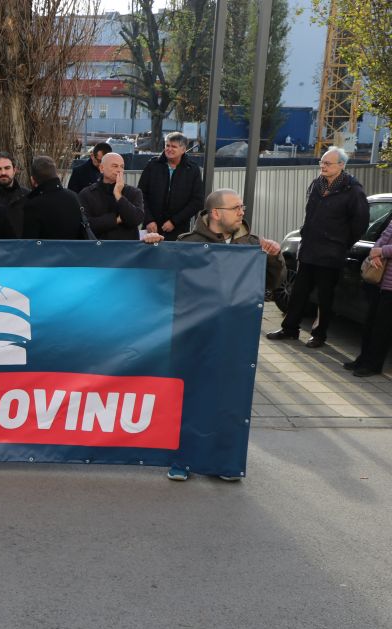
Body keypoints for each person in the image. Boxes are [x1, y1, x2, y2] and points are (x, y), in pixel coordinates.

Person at [168, 188, 284, 482]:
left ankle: (225, 461)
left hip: (236, 336)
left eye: (242, 207)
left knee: (230, 399)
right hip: (195, 336)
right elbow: (170, 285)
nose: (242, 211)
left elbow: (272, 284)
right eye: (236, 207)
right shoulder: (187, 243)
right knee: (190, 398)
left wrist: (274, 258)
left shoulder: (252, 244)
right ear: (216, 213)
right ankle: (183, 460)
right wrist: (154, 246)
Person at [267, 146, 369, 348]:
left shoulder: (353, 190)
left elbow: (360, 223)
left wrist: (342, 243)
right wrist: (306, 231)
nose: (322, 166)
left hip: (332, 254)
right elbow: (310, 213)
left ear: (341, 165)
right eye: (321, 162)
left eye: (327, 163)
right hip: (309, 249)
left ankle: (319, 335)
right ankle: (290, 329)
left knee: (325, 297)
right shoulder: (317, 184)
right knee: (298, 292)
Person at [345, 220, 392, 377]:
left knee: (382, 327)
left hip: (390, 285)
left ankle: (373, 365)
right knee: (370, 323)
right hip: (380, 281)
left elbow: (383, 247)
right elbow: (383, 237)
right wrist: (374, 253)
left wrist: (382, 252)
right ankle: (363, 359)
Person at [138, 132, 204, 241]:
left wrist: (174, 221)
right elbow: (140, 194)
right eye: (167, 145)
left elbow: (197, 201)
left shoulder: (192, 170)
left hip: (178, 230)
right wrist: (148, 219)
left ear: (183, 150)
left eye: (174, 146)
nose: (169, 149)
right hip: (151, 228)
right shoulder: (153, 165)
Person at [76, 152, 145, 240]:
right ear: (101, 168)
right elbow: (86, 225)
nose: (119, 170)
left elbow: (136, 219)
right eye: (115, 166)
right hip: (98, 248)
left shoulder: (133, 192)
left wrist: (118, 195)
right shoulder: (87, 194)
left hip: (127, 250)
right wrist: (116, 220)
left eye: (122, 166)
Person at [22, 156, 89, 240]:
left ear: (33, 180)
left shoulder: (33, 205)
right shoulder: (73, 196)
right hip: (72, 251)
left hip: (45, 252)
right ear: (57, 175)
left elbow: (29, 241)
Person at [0, 152, 29, 237]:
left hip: (21, 247)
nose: (3, 172)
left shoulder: (27, 195)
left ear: (14, 170)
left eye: (7, 168)